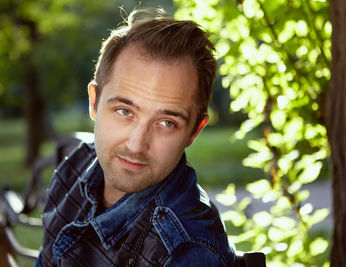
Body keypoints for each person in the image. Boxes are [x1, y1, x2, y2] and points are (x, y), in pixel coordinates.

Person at [34, 8, 239, 267]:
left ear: (194, 131)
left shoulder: (188, 252)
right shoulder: (75, 166)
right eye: (124, 111)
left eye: (167, 122)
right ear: (94, 102)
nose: (136, 144)